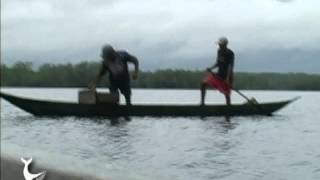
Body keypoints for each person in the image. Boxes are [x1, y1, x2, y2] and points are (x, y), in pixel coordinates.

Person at [201, 37, 234, 106]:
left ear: (225, 44)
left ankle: (229, 108)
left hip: (227, 76)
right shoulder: (219, 51)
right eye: (219, 44)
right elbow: (218, 63)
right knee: (204, 83)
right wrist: (211, 68)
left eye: (221, 44)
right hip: (219, 74)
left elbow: (230, 66)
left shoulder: (230, 53)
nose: (219, 45)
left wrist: (227, 79)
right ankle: (202, 103)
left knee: (227, 94)